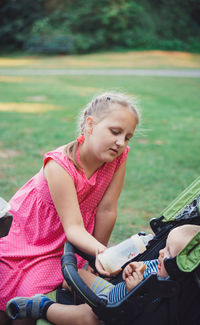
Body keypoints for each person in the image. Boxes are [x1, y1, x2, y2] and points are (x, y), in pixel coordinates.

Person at [0, 92, 140, 325]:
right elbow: (73, 227)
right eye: (115, 132)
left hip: (66, 243)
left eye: (128, 137)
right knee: (12, 295)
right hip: (29, 236)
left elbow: (106, 210)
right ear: (90, 124)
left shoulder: (118, 157)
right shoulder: (59, 166)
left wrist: (95, 259)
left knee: (32, 293)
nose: (121, 142)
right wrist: (105, 255)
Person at [5, 224, 200, 323]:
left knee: (88, 318)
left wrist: (135, 290)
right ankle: (72, 298)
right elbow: (140, 267)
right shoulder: (159, 265)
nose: (160, 252)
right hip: (112, 292)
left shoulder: (169, 294)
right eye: (163, 247)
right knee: (77, 276)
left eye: (167, 253)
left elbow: (143, 314)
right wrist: (132, 268)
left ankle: (43, 306)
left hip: (114, 314)